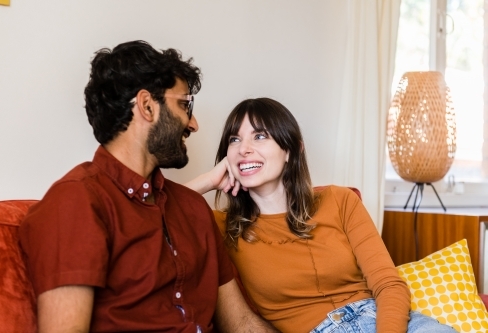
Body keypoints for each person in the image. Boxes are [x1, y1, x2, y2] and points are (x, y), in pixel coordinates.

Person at [19, 41, 279, 333]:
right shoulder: (76, 201)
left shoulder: (192, 208)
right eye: (184, 105)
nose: (193, 124)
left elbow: (242, 323)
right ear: (147, 106)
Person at [185, 97, 457, 333]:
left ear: (291, 150)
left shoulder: (340, 201)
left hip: (389, 322)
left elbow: (389, 285)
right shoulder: (221, 226)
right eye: (235, 140)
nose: (244, 148)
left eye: (260, 136)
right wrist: (208, 180)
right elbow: (157, 210)